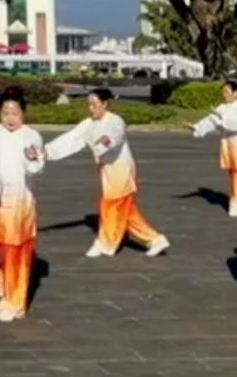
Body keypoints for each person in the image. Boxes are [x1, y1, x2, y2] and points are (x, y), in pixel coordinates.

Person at [37, 89, 171, 258]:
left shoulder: (115, 120)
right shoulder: (88, 124)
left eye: (94, 104)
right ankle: (155, 239)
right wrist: (45, 152)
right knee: (126, 211)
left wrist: (108, 140)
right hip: (107, 170)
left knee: (109, 205)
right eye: (89, 105)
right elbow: (70, 139)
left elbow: (117, 134)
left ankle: (105, 243)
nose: (91, 108)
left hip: (121, 169)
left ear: (105, 104)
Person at [0, 87, 45, 323]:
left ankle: (15, 303)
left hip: (19, 203)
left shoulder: (31, 136)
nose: (10, 118)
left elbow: (36, 166)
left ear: (23, 113)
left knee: (16, 256)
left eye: (15, 113)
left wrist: (35, 158)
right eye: (5, 113)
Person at [189, 79, 237, 217]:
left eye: (227, 91)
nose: (224, 95)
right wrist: (197, 127)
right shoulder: (222, 108)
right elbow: (210, 120)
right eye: (223, 92)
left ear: (236, 93)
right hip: (231, 148)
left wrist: (220, 119)